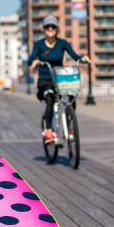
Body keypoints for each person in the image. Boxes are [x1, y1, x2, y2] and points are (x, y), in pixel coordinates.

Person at [27, 15, 89, 144]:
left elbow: (75, 55)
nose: (50, 28)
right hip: (45, 80)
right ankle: (49, 131)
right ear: (43, 29)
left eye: (53, 26)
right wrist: (36, 61)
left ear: (57, 28)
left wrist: (82, 59)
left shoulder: (63, 43)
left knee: (71, 99)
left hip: (60, 79)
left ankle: (69, 125)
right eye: (47, 26)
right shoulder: (39, 45)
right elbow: (30, 59)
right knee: (50, 99)